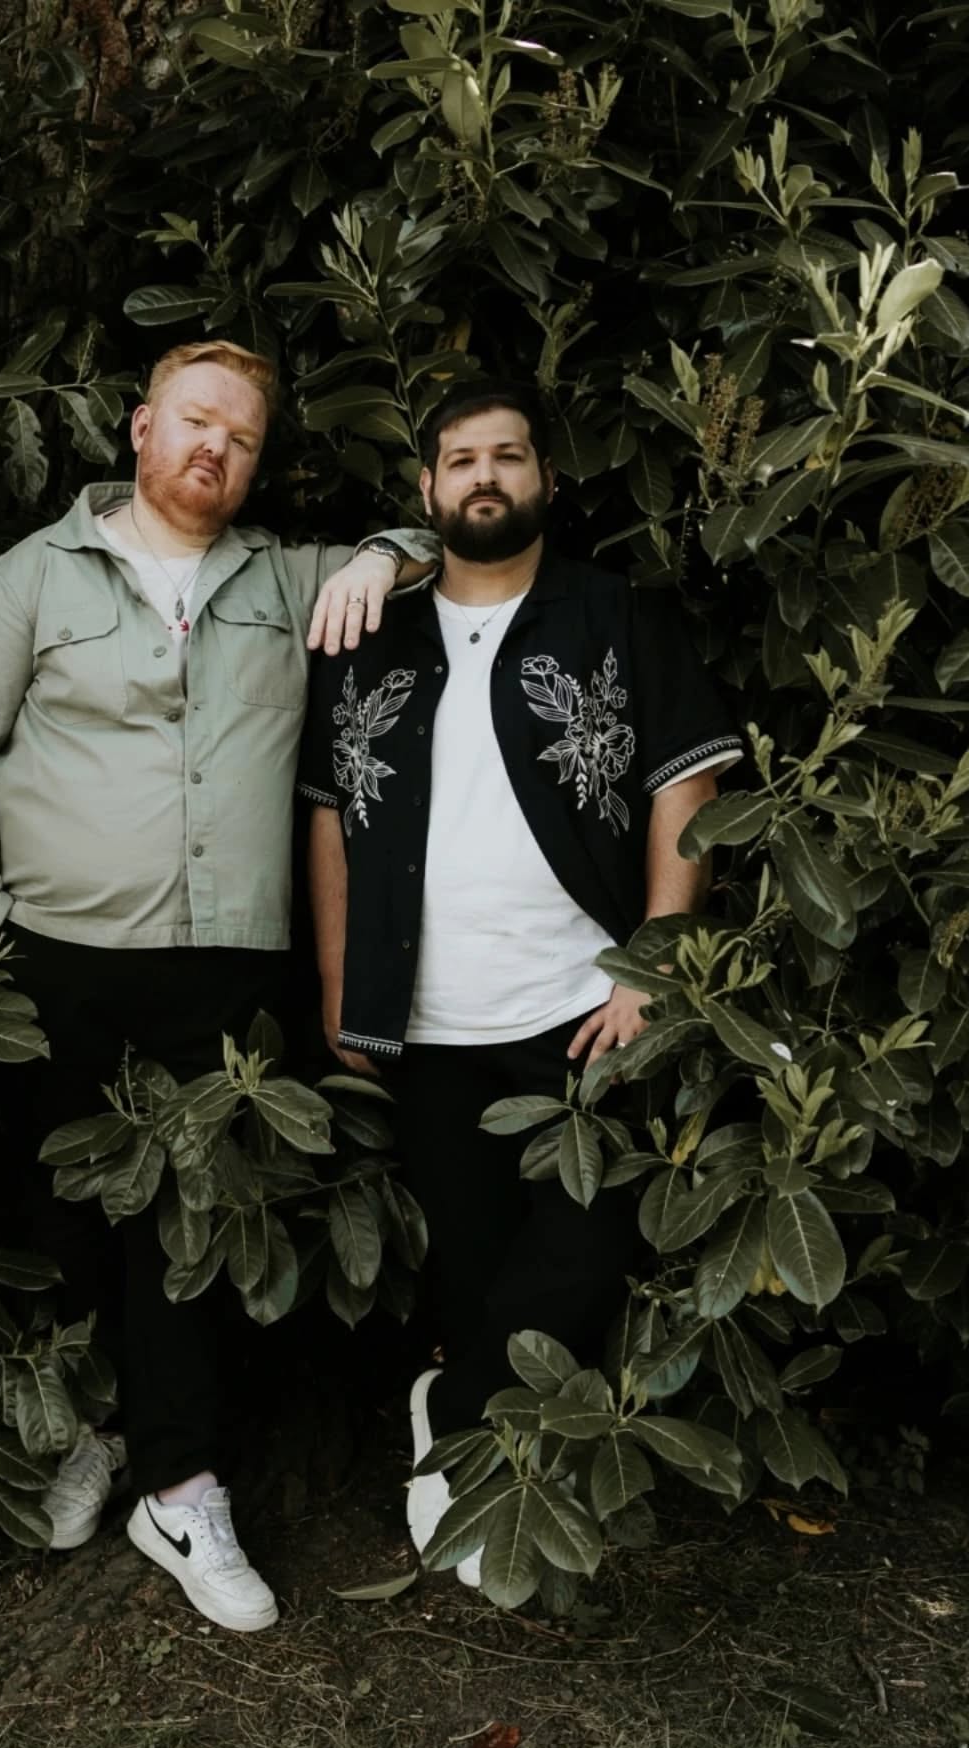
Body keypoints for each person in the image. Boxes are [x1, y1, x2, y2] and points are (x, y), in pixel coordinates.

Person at [0, 339, 437, 1632]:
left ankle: (185, 1485)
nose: (216, 447)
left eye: (244, 437)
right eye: (197, 421)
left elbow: (437, 539)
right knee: (64, 1221)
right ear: (142, 429)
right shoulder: (28, 579)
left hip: (226, 966)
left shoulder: (292, 576)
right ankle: (89, 1434)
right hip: (54, 961)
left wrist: (382, 556)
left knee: (194, 1227)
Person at [300, 378, 742, 1587]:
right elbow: (331, 817)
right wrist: (345, 982)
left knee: (588, 1247)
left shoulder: (615, 615)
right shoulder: (369, 638)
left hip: (582, 1004)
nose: (484, 476)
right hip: (426, 1017)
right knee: (479, 1258)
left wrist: (653, 966)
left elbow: (683, 790)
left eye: (507, 456)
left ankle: (453, 1427)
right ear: (429, 489)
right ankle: (487, 1446)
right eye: (459, 460)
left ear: (545, 478)